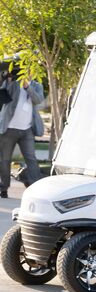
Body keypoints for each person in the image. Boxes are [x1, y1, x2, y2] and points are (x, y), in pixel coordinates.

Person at [0, 70, 44, 199]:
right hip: (9, 129)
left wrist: (28, 87)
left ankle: (36, 188)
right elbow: (3, 94)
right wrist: (7, 80)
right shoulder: (14, 83)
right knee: (4, 160)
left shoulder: (37, 85)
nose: (29, 72)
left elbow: (38, 100)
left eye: (31, 69)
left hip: (27, 130)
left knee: (31, 159)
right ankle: (3, 188)